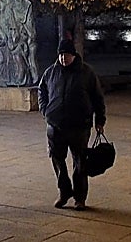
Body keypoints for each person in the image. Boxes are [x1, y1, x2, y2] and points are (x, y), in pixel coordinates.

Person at [37, 38, 106, 211]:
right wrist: (45, 111)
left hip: (79, 126)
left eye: (66, 55)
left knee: (80, 162)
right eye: (60, 55)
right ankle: (64, 191)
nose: (63, 58)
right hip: (55, 125)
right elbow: (42, 91)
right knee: (57, 159)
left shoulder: (86, 73)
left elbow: (98, 97)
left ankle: (80, 197)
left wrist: (100, 120)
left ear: (73, 55)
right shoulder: (51, 72)